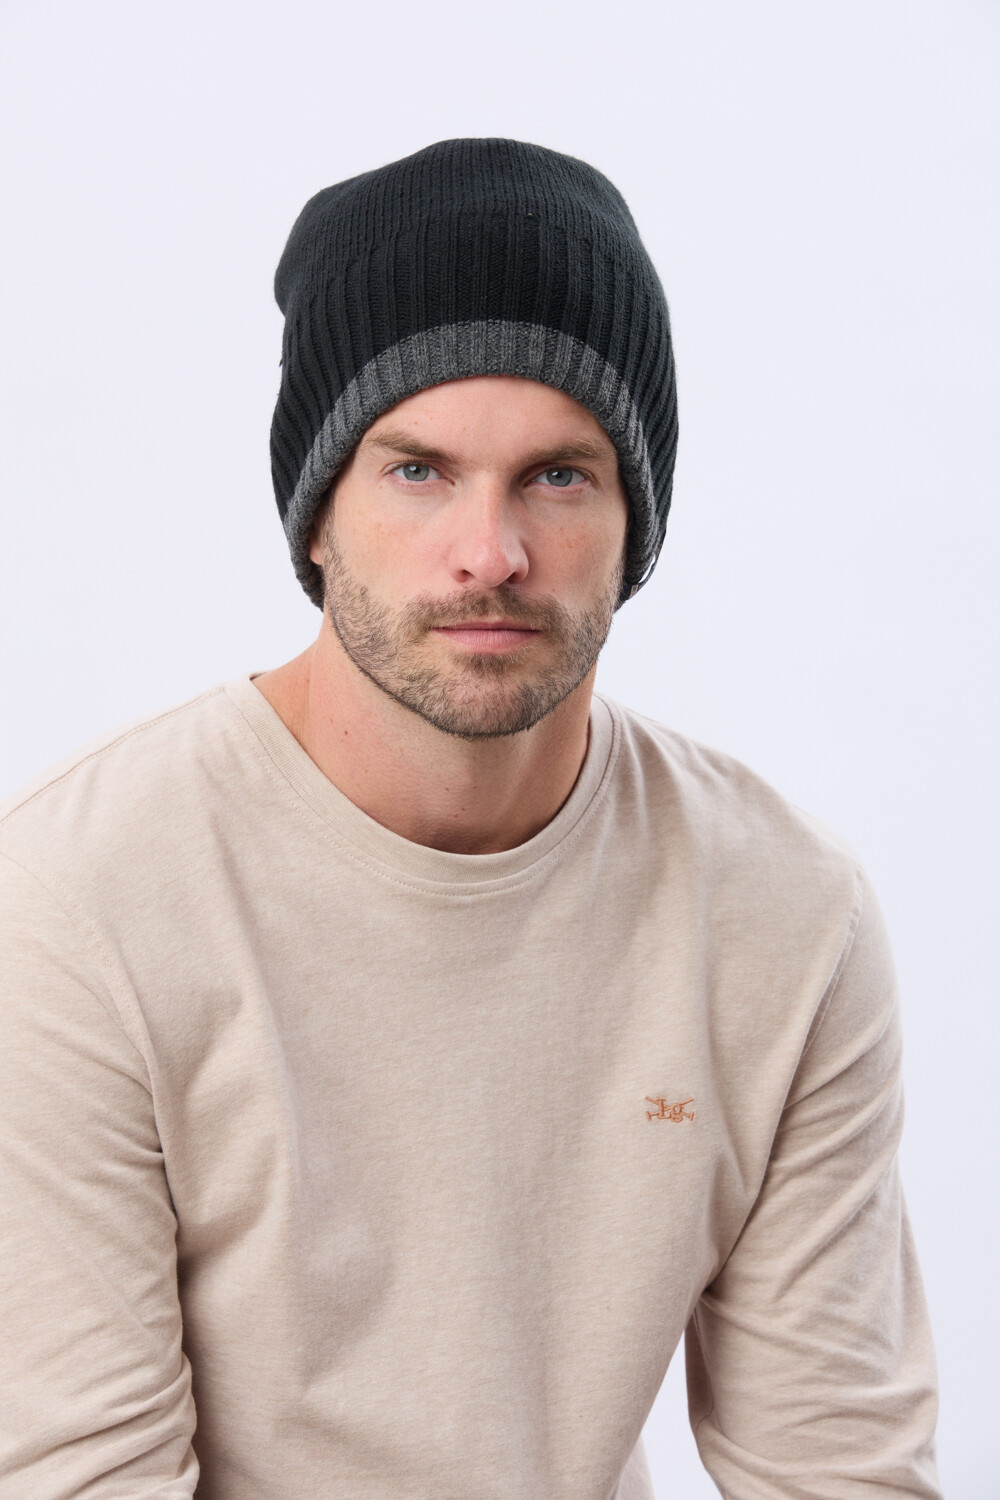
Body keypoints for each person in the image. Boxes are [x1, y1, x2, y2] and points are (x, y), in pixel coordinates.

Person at [0, 138, 942, 1499]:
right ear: (317, 513)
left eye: (558, 476)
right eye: (418, 471)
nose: (489, 554)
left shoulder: (786, 914)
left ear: (635, 523)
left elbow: (839, 1464)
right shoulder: (74, 899)